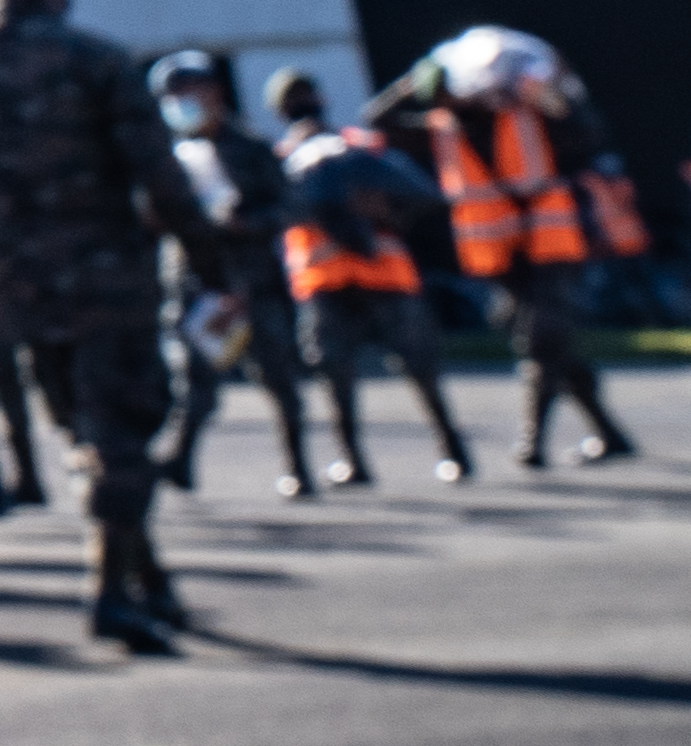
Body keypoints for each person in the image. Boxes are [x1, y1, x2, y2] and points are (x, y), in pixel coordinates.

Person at [0, 0, 215, 655]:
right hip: (110, 273)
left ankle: (148, 580)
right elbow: (162, 176)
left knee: (85, 429)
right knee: (122, 432)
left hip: (24, 283)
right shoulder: (99, 60)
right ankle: (111, 594)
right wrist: (212, 264)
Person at [418, 48, 642, 468]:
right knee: (549, 343)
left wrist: (540, 90)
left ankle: (531, 442)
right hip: (504, 255)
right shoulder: (441, 126)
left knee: (542, 338)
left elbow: (587, 132)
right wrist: (415, 83)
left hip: (551, 243)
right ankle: (610, 433)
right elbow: (376, 118)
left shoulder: (527, 110)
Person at [263, 74, 470, 485]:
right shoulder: (281, 158)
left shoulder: (360, 145)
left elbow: (415, 195)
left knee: (419, 368)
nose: (302, 104)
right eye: (293, 99)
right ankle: (353, 459)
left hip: (383, 273)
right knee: (334, 373)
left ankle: (453, 450)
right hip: (325, 279)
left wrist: (378, 212)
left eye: (305, 94)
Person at [145, 52, 324, 504]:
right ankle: (179, 462)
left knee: (279, 379)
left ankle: (298, 467)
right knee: (195, 385)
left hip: (253, 284)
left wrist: (250, 222)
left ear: (215, 94)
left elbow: (293, 206)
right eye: (172, 96)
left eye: (190, 92)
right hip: (195, 285)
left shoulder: (250, 148)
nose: (182, 102)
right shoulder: (165, 156)